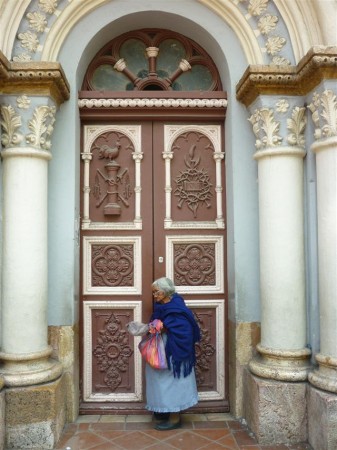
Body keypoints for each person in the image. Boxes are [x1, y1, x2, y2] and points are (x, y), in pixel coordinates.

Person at [145, 277, 201, 431]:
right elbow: (157, 322)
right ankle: (163, 411)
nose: (154, 295)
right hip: (161, 349)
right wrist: (153, 327)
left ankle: (175, 417)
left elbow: (184, 331)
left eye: (157, 292)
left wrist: (163, 327)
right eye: (154, 292)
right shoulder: (161, 306)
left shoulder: (176, 307)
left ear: (165, 292)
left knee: (173, 382)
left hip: (175, 352)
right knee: (158, 379)